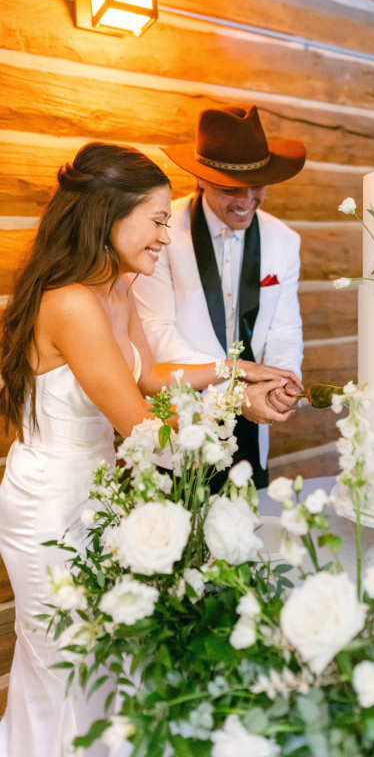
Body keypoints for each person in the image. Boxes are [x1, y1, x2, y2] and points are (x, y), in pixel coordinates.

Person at [0, 142, 300, 757]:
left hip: (96, 496)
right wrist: (238, 404)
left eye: (168, 219)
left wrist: (238, 372)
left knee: (97, 658)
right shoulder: (73, 304)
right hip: (50, 507)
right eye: (157, 220)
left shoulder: (114, 289)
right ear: (110, 215)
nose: (166, 236)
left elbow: (151, 376)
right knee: (68, 661)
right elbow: (142, 425)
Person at [133, 104, 306, 490]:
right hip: (181, 418)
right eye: (231, 189)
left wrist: (280, 381)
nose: (246, 201)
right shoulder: (160, 233)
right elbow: (158, 335)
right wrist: (238, 386)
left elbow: (284, 330)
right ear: (201, 179)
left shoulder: (284, 241)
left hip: (252, 423)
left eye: (257, 186)